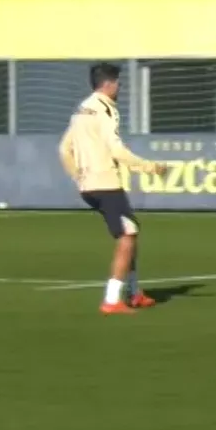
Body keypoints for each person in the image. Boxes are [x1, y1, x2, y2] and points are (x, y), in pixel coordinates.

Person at [59, 62, 169, 314]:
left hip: (88, 185)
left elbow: (64, 149)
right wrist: (150, 167)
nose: (119, 87)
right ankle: (112, 299)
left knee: (131, 230)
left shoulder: (81, 109)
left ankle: (134, 292)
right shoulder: (106, 110)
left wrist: (78, 176)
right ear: (108, 84)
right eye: (118, 82)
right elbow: (117, 150)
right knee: (127, 235)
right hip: (106, 183)